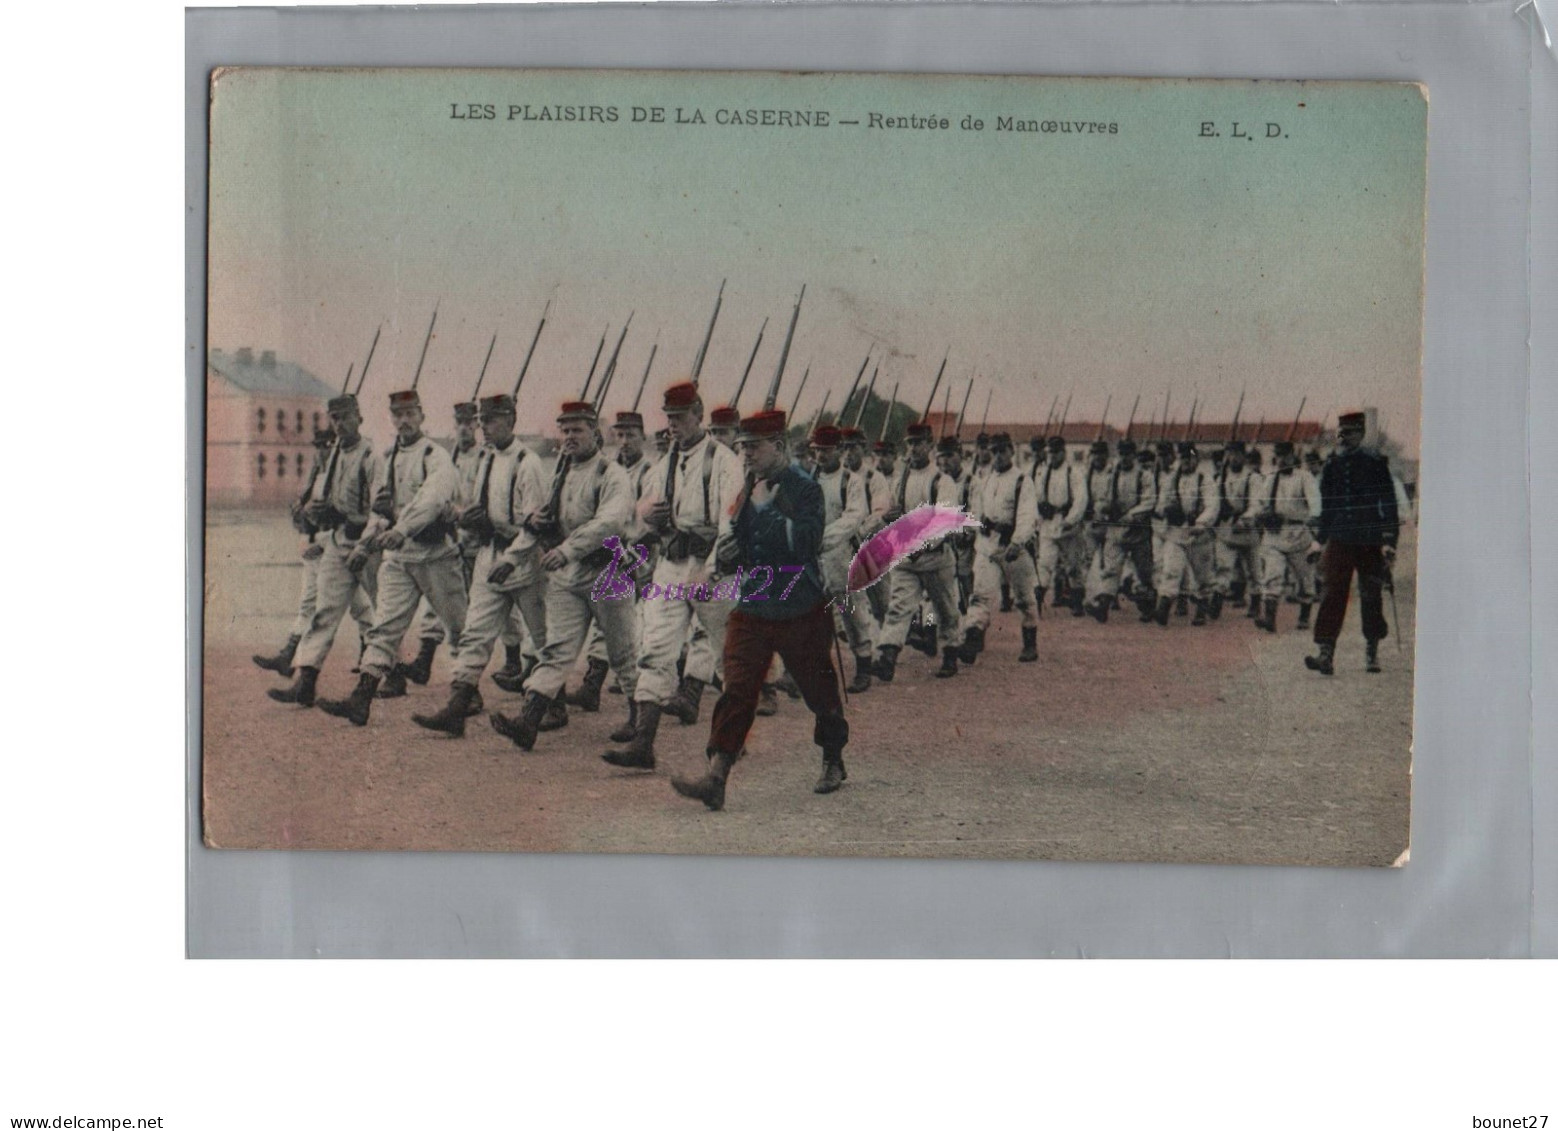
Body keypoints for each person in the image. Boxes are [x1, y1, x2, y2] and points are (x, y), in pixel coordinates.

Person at [669, 409, 849, 810]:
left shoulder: (806, 488)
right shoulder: (748, 484)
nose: (745, 454)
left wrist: (764, 517)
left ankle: (833, 758)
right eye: (742, 447)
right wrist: (730, 556)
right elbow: (735, 533)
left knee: (819, 690)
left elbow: (805, 541)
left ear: (779, 446)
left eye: (753, 447)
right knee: (737, 688)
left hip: (799, 604)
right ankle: (717, 775)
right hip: (753, 602)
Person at [606, 381, 743, 767]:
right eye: (668, 418)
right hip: (670, 563)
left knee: (727, 656)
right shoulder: (662, 464)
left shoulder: (724, 463)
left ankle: (732, 734)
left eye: (681, 418)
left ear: (699, 414)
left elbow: (731, 527)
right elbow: (639, 518)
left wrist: (712, 571)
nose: (673, 426)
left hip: (710, 568)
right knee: (656, 647)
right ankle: (643, 743)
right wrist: (649, 520)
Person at [491, 400, 640, 750]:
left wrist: (568, 549)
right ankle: (528, 721)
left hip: (608, 572)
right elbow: (540, 521)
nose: (570, 437)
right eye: (565, 430)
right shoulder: (559, 474)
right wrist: (513, 557)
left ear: (596, 434)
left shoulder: (611, 474)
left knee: (621, 653)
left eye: (578, 430)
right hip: (570, 576)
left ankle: (640, 724)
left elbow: (610, 522)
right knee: (556, 650)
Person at [316, 388, 468, 726]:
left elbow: (431, 499)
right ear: (391, 418)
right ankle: (362, 698)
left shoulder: (435, 456)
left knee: (459, 630)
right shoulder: (390, 457)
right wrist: (365, 543)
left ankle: (465, 696)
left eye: (410, 414)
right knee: (384, 627)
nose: (403, 421)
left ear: (421, 416)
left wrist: (402, 528)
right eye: (397, 415)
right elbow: (381, 509)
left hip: (435, 556)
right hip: (399, 558)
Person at [409, 392, 548, 737]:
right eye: (482, 421)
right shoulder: (486, 460)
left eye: (491, 420)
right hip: (489, 555)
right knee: (475, 634)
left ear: (511, 422)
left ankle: (551, 705)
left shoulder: (528, 464)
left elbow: (536, 525)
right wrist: (463, 518)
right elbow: (473, 506)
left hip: (525, 561)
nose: (484, 427)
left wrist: (508, 546)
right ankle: (456, 708)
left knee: (544, 638)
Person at [266, 394, 380, 708]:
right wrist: (315, 514)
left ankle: (393, 672)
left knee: (382, 614)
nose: (341, 424)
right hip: (338, 542)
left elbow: (382, 507)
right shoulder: (332, 459)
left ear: (359, 417)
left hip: (368, 545)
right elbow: (326, 502)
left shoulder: (372, 456)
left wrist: (360, 531)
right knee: (323, 613)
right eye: (335, 419)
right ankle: (306, 683)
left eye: (346, 417)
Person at [1305, 411, 1400, 675]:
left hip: (1369, 540)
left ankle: (1372, 652)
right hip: (1340, 539)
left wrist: (1389, 540)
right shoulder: (1333, 465)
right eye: (1342, 433)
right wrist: (1318, 541)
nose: (1344, 438)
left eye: (1350, 433)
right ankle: (1326, 654)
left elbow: (1388, 505)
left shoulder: (1375, 463)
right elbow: (1329, 508)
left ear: (1360, 434)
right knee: (1332, 593)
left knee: (1371, 594)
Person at [873, 422, 964, 681]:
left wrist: (921, 545)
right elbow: (890, 510)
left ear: (930, 446)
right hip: (907, 559)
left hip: (935, 558)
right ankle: (887, 657)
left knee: (945, 609)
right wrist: (888, 518)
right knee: (899, 607)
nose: (913, 448)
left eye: (918, 443)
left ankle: (949, 654)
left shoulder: (941, 481)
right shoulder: (902, 479)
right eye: (910, 443)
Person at [959, 432, 1040, 662]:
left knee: (1024, 598)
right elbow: (975, 507)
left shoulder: (1022, 480)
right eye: (994, 451)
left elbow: (1027, 513)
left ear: (1011, 451)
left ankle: (1030, 643)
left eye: (1002, 451)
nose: (998, 456)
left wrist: (1018, 541)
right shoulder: (985, 479)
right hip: (987, 545)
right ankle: (973, 638)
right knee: (981, 594)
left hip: (1013, 546)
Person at [811, 424, 876, 692]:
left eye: (825, 451)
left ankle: (864, 666)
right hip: (812, 557)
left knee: (852, 613)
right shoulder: (809, 479)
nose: (820, 457)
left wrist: (823, 538)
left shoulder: (852, 481)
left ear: (838, 450)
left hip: (842, 554)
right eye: (816, 451)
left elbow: (853, 517)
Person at [1250, 440, 1321, 633]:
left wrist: (1314, 517)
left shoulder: (1304, 477)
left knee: (1304, 578)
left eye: (1285, 456)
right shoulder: (1271, 479)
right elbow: (1260, 502)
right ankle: (1269, 618)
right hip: (1275, 533)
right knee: (1272, 574)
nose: (1282, 460)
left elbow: (1315, 502)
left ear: (1293, 456)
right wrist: (1259, 514)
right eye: (1278, 456)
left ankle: (1305, 615)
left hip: (1298, 534)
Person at [1082, 438, 1157, 623]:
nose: (1124, 459)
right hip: (1116, 529)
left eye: (1128, 455)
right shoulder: (1112, 475)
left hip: (1138, 530)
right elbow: (1104, 498)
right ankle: (1103, 606)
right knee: (1111, 568)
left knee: (1143, 571)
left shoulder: (1144, 475)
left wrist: (1131, 515)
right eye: (1121, 455)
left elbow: (1149, 501)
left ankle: (1147, 607)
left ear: (1134, 456)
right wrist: (1103, 508)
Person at [1152, 441, 1220, 626]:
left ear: (1196, 459)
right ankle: (1163, 608)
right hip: (1176, 532)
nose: (1186, 462)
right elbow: (1161, 503)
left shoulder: (1204, 479)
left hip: (1199, 534)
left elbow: (1213, 505)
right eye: (1183, 458)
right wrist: (1166, 510)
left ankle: (1202, 609)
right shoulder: (1171, 479)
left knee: (1203, 576)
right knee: (1171, 569)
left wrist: (1201, 521)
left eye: (1190, 458)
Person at [1031, 435, 1088, 615]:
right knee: (1045, 563)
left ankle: (1077, 602)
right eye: (1050, 453)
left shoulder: (1073, 472)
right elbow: (1035, 494)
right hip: (1048, 524)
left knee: (1073, 566)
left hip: (1067, 525)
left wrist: (1070, 520)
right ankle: (1039, 596)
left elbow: (1081, 499)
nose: (1052, 456)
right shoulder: (1043, 472)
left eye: (1056, 453)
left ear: (1063, 453)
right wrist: (1040, 508)